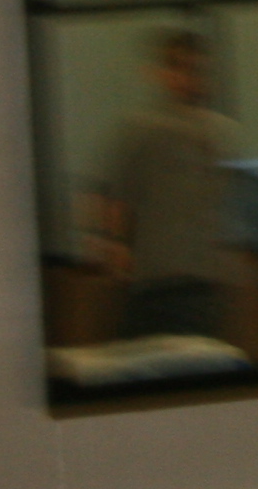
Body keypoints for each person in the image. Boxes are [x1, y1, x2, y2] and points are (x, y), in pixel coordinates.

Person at [88, 26, 244, 346]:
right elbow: (114, 198)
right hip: (152, 281)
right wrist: (114, 249)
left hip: (203, 282)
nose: (188, 78)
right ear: (161, 73)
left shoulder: (222, 134)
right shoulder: (141, 129)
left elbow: (230, 208)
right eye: (178, 67)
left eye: (197, 69)